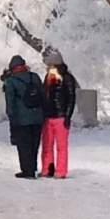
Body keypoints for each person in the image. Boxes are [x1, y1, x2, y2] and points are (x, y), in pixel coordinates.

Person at [0, 54, 45, 178]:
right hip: (37, 117)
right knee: (34, 144)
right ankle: (33, 168)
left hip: (21, 119)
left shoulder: (11, 81)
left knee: (23, 145)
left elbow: (10, 102)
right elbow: (43, 95)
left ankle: (27, 170)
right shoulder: (34, 77)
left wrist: (11, 118)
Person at [40, 47, 78, 179]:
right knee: (47, 145)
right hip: (48, 116)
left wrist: (67, 115)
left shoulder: (67, 78)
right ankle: (48, 169)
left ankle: (61, 171)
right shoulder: (49, 77)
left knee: (61, 147)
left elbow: (71, 98)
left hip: (60, 116)